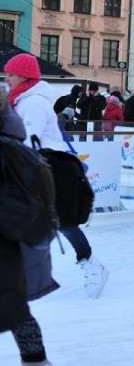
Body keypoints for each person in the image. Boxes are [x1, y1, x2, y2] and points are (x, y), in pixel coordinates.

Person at [3, 53, 109, 298]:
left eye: (10, 73)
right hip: (35, 168)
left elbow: (27, 139)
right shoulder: (19, 100)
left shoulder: (34, 103)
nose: (7, 78)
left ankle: (92, 264)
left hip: (48, 169)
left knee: (63, 222)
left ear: (23, 76)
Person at [0, 84, 57, 366]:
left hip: (7, 246)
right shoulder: (14, 146)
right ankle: (36, 360)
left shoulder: (8, 150)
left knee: (15, 310)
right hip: (12, 247)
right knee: (15, 310)